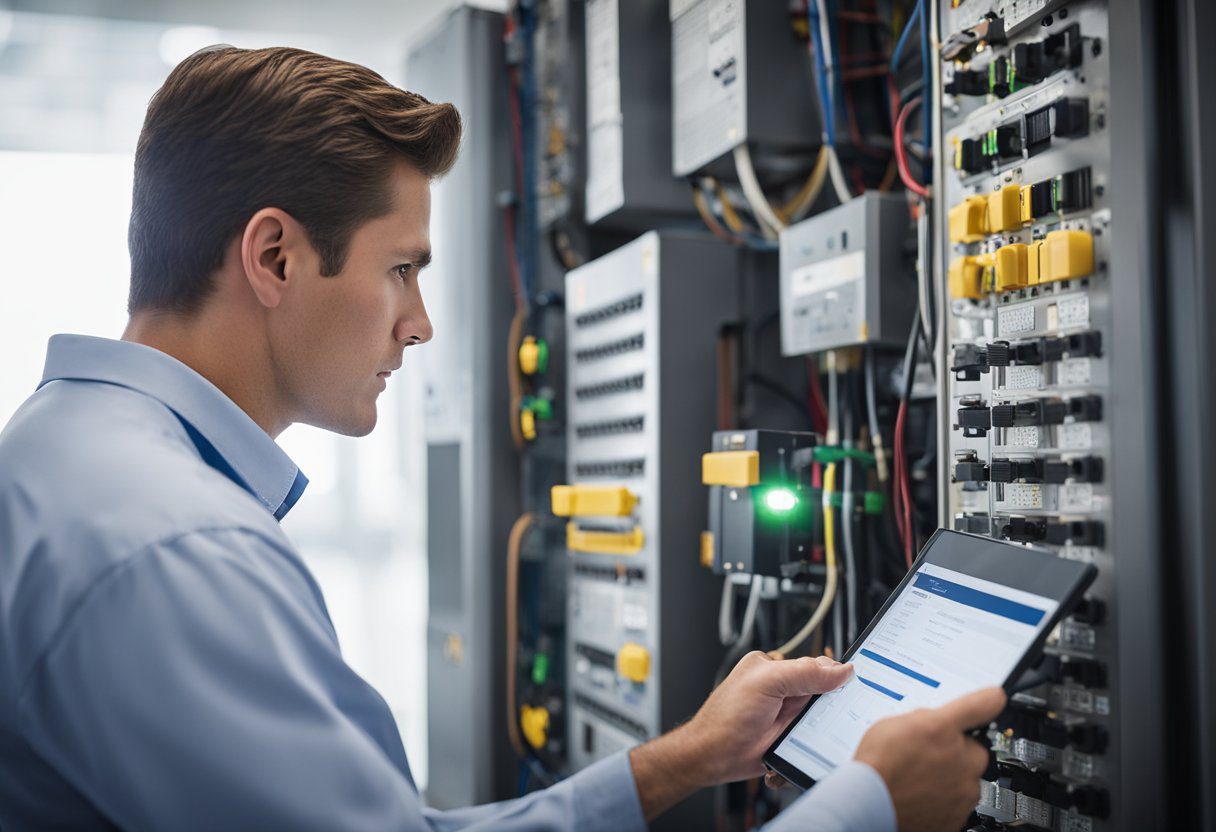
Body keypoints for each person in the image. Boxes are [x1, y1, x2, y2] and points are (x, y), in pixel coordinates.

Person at [0, 46, 1004, 831]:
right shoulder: (175, 548)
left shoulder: (74, 459)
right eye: (401, 268)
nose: (420, 321)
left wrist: (684, 759)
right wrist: (871, 803)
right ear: (273, 255)